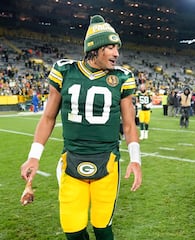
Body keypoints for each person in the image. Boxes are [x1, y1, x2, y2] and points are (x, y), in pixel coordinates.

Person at [20, 15, 142, 240]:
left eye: (117, 47)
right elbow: (48, 117)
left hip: (108, 161)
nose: (116, 53)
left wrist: (136, 159)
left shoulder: (122, 77)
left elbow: (128, 123)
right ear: (94, 48)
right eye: (110, 47)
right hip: (71, 160)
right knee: (73, 231)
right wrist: (34, 156)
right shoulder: (66, 71)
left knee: (103, 228)